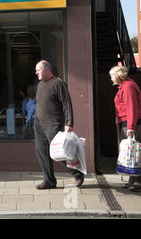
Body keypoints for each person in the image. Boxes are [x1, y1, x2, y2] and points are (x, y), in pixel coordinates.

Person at [34, 60, 84, 189]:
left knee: (60, 153)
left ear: (46, 69)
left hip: (53, 124)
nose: (36, 73)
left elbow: (67, 103)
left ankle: (77, 174)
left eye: (38, 70)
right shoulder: (40, 85)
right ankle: (49, 181)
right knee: (42, 154)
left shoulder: (58, 83)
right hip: (39, 124)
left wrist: (69, 122)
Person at [109, 65, 141, 191]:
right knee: (129, 153)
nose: (111, 78)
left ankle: (140, 179)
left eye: (112, 76)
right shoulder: (124, 86)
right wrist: (119, 117)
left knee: (134, 152)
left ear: (117, 76)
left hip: (133, 123)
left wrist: (130, 127)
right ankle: (133, 179)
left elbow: (132, 108)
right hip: (127, 122)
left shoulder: (128, 87)